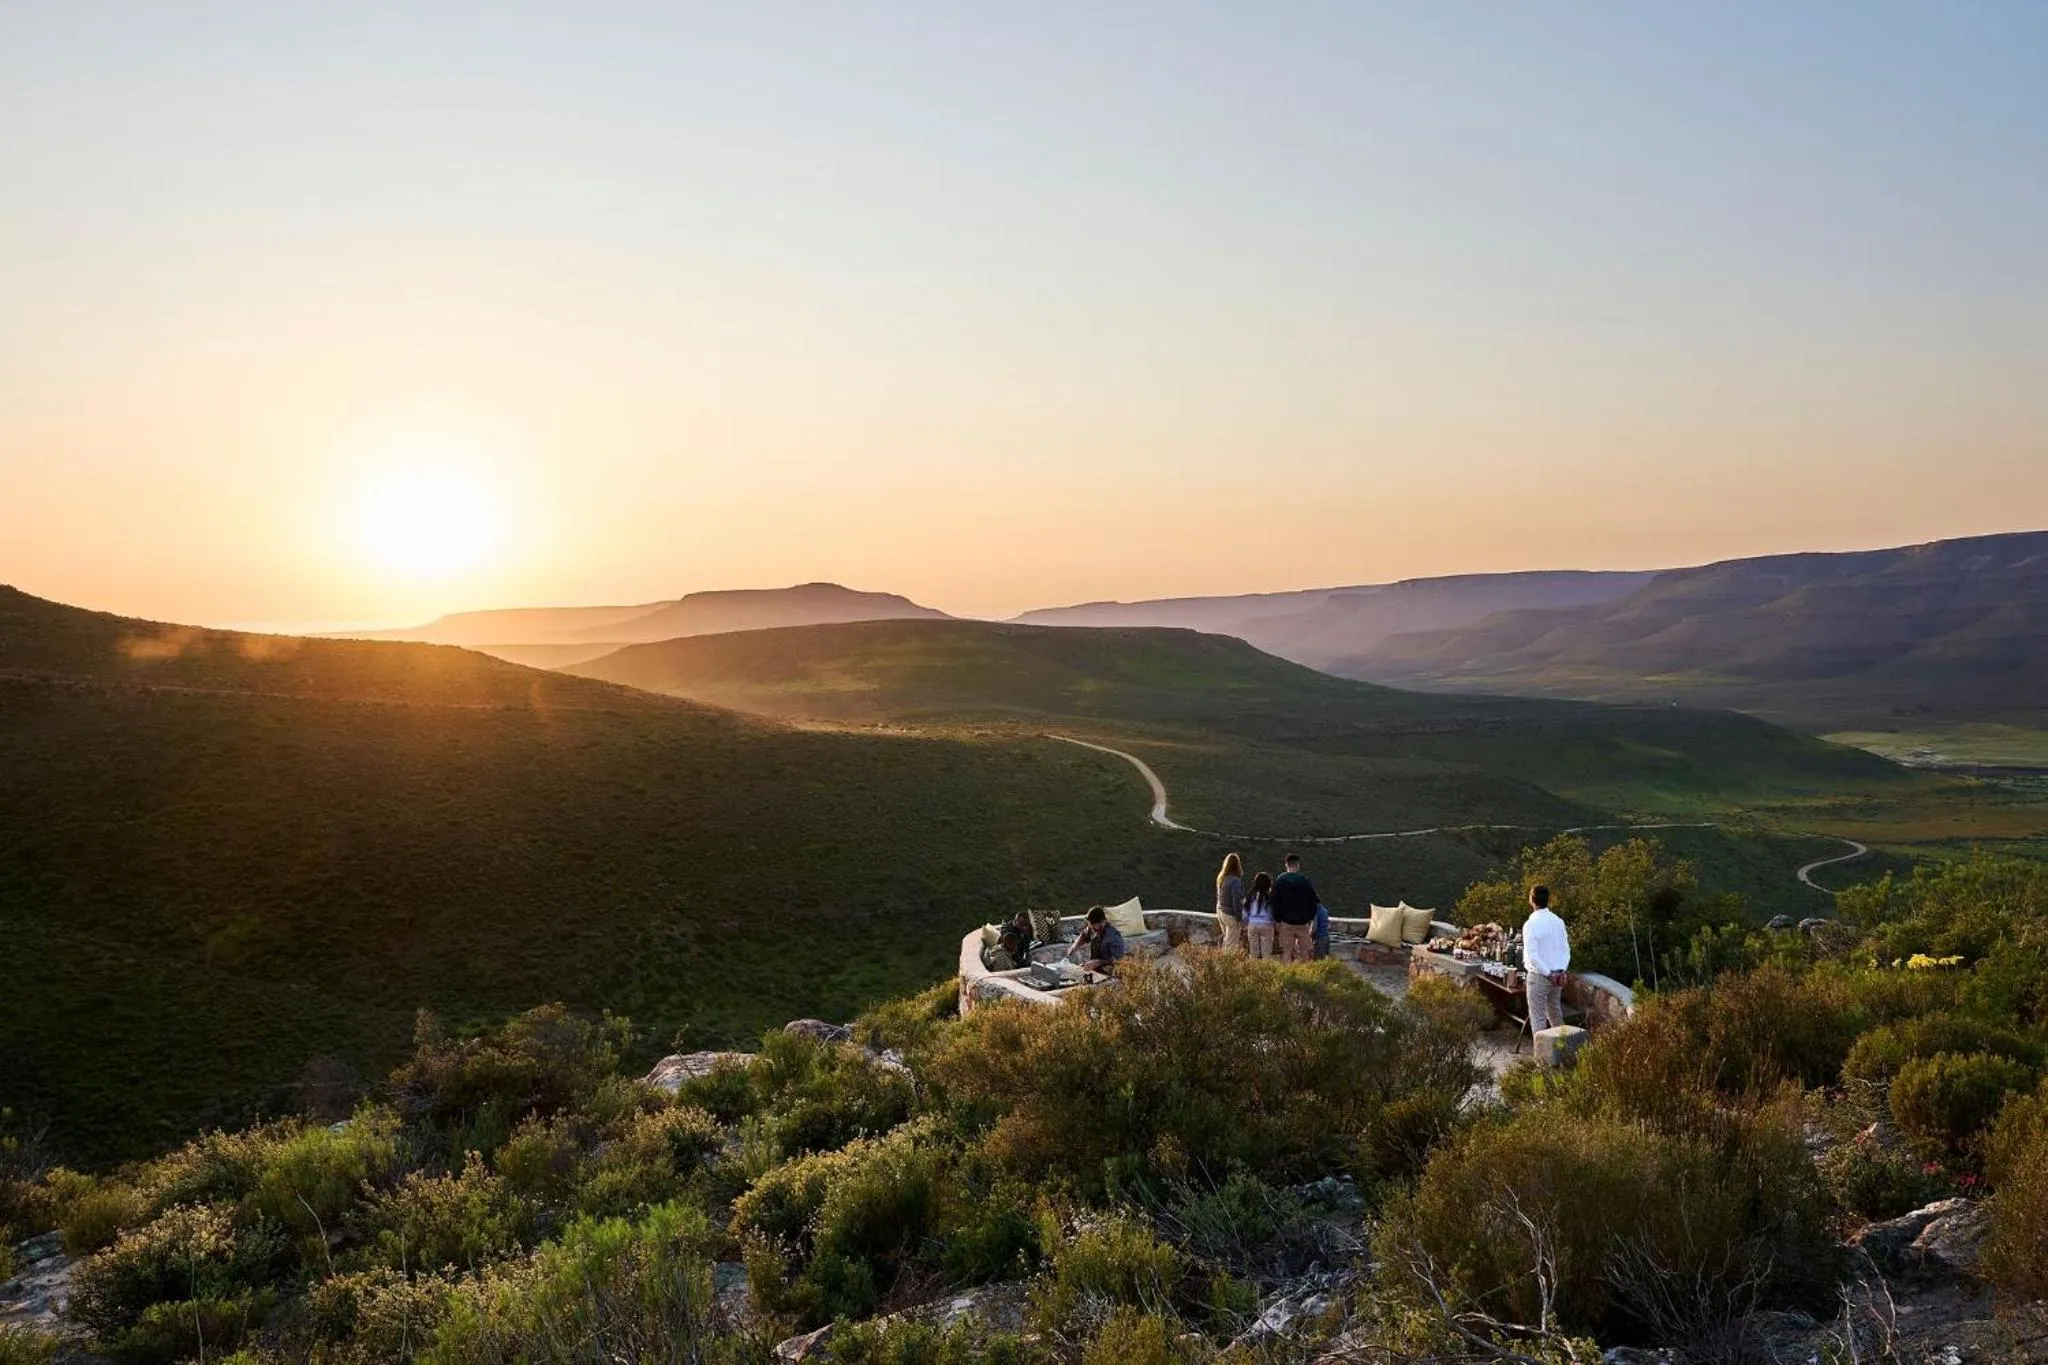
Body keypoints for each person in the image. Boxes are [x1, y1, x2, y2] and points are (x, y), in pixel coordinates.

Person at [1521, 884, 1571, 1034]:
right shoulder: (1558, 921)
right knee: (1555, 1015)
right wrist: (1561, 971)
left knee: (1538, 1020)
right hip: (1557, 975)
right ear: (1547, 900)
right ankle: (1564, 1051)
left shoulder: (1530, 924)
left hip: (1539, 976)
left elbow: (1533, 955)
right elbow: (1566, 950)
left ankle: (1542, 1057)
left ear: (1531, 900)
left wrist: (1548, 974)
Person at [1270, 853, 1320, 964]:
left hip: (1285, 922)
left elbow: (1274, 902)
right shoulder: (1305, 881)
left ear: (1286, 865)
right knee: (1304, 952)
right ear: (1298, 865)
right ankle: (1306, 976)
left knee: (1287, 951)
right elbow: (1314, 901)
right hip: (1302, 922)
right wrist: (1310, 918)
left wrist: (1277, 919)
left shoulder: (1280, 881)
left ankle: (1287, 976)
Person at [1070, 905, 1127, 975]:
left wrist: (1098, 962)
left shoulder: (1114, 936)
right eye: (1091, 927)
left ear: (1103, 922)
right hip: (1095, 971)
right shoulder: (1094, 928)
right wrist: (1075, 946)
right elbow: (1084, 934)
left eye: (1094, 928)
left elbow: (1119, 959)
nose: (1093, 930)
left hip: (1110, 974)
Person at [1214, 852, 1247, 952]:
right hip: (1230, 914)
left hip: (1221, 911)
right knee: (1231, 945)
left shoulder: (1222, 878)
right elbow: (1237, 900)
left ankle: (1222, 962)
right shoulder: (1235, 880)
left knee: (1227, 940)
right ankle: (1227, 965)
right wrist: (1240, 917)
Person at [1244, 871, 1276, 959]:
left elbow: (1246, 911)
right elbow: (1273, 912)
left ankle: (1253, 970)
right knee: (1266, 953)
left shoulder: (1251, 895)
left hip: (1252, 924)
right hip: (1266, 925)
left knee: (1253, 953)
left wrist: (1246, 922)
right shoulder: (1269, 896)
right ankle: (1265, 970)